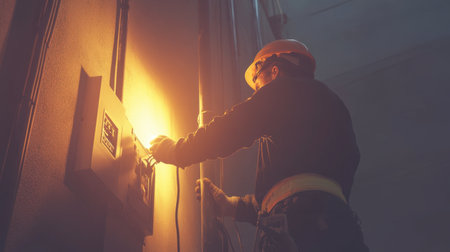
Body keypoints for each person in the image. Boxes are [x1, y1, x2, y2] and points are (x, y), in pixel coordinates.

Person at [150, 39, 369, 251]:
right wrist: (231, 206)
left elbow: (233, 127)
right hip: (342, 227)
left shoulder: (283, 91)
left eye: (258, 83)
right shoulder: (335, 110)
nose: (257, 93)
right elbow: (299, 187)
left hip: (298, 222)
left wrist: (177, 151)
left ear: (274, 71)